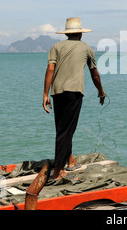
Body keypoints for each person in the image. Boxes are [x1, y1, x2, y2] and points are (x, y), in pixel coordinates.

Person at [42, 17, 105, 180]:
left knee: (62, 128)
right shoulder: (86, 48)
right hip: (74, 92)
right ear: (80, 34)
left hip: (57, 92)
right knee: (66, 130)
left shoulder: (56, 47)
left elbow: (50, 69)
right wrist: (101, 91)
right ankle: (58, 171)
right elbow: (95, 74)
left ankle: (71, 161)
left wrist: (45, 94)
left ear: (67, 34)